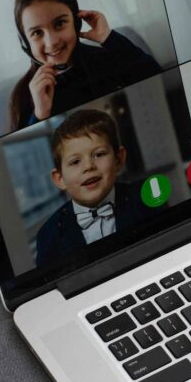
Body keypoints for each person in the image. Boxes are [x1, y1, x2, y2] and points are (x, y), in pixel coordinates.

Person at [7, 0, 161, 132]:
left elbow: (157, 79)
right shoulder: (23, 95)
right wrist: (40, 115)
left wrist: (108, 37)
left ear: (77, 22)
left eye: (59, 23)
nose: (51, 42)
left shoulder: (109, 57)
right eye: (37, 33)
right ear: (25, 42)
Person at [35, 109, 158, 268]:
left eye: (99, 154)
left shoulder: (147, 197)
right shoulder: (48, 235)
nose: (88, 166)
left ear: (119, 159)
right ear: (60, 179)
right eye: (75, 162)